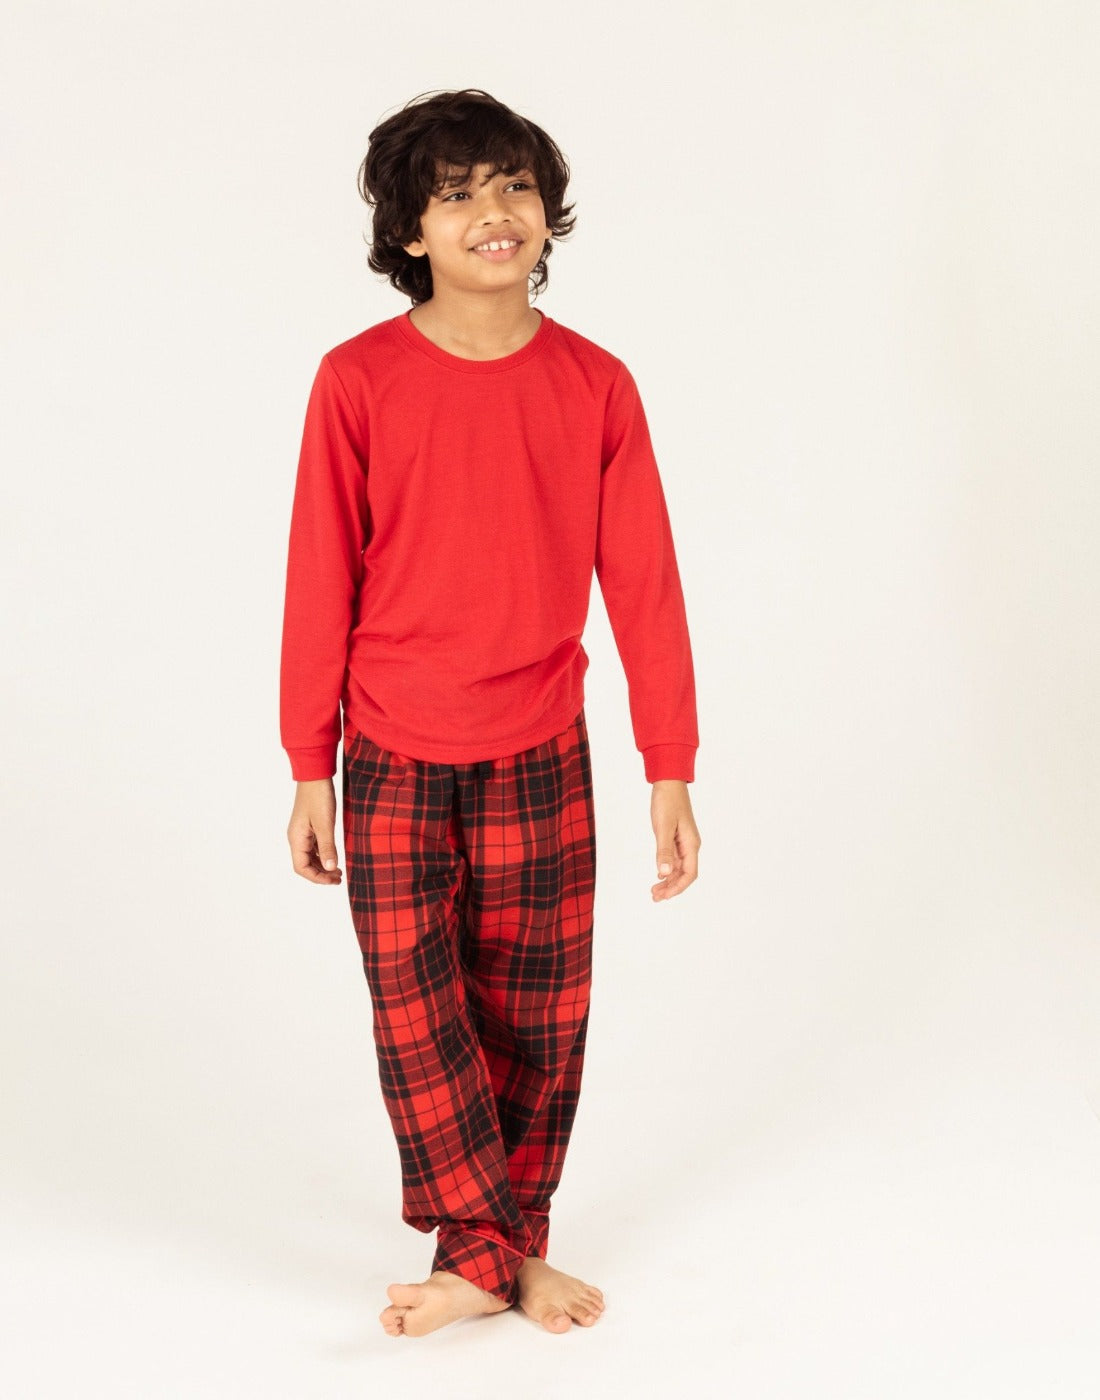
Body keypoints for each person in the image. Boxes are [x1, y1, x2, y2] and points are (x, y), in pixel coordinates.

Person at [279, 87, 701, 1339]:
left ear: (547, 211)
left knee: (533, 1016)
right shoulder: (356, 380)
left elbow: (645, 582)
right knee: (420, 1017)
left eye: (511, 185)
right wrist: (308, 760)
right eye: (454, 194)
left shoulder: (595, 384)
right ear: (408, 231)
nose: (490, 212)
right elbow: (319, 574)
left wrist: (668, 764)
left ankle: (502, 1247)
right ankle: (485, 1246)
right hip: (392, 747)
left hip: (540, 747)